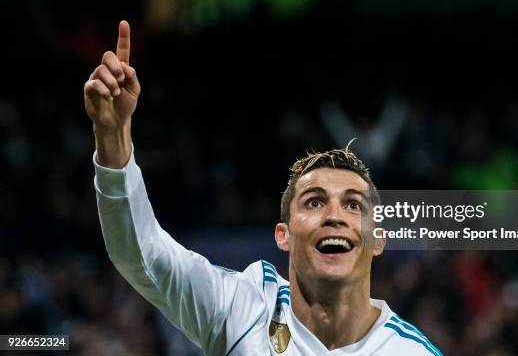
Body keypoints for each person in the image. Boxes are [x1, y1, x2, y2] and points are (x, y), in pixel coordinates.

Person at [84, 20, 442, 355]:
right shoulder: (242, 308)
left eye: (353, 205)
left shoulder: (411, 351)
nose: (335, 216)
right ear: (282, 235)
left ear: (378, 238)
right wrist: (112, 135)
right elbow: (141, 253)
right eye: (314, 202)